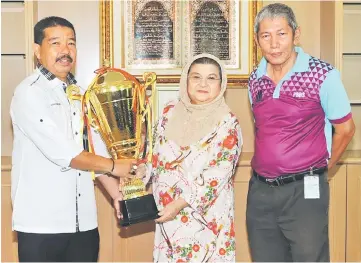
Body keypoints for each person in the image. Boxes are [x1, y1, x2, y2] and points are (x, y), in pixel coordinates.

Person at [10, 16, 132, 262]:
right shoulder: (29, 93)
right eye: (55, 43)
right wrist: (114, 166)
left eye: (71, 43)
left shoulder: (82, 95)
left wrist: (117, 194)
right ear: (37, 50)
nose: (65, 50)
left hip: (84, 224)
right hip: (41, 226)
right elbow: (66, 154)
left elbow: (93, 151)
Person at [246, 3, 355, 262]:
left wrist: (321, 169)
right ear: (257, 40)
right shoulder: (255, 79)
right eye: (266, 36)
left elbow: (346, 129)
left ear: (296, 34)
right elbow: (263, 129)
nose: (274, 44)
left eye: (281, 34)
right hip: (260, 191)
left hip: (305, 192)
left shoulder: (323, 75)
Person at [127, 53, 243, 262]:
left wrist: (178, 204)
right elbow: (153, 156)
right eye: (196, 77)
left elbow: (215, 178)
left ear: (221, 83)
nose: (203, 84)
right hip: (167, 217)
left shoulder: (228, 124)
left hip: (204, 221)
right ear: (186, 80)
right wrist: (138, 174)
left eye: (211, 78)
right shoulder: (169, 112)